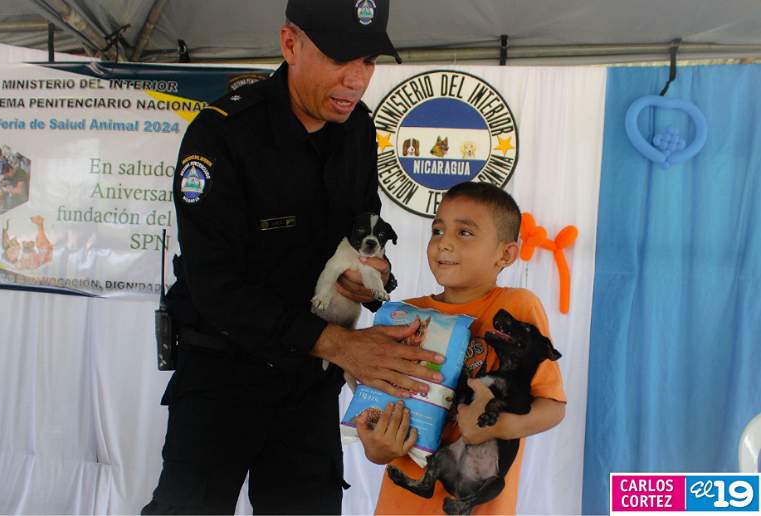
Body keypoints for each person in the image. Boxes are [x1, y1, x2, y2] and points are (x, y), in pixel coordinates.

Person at [142, 1, 446, 514]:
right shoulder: (223, 134)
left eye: (369, 61)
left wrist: (372, 276)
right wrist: (340, 345)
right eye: (340, 58)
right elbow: (214, 285)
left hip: (310, 379)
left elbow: (365, 229)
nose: (356, 79)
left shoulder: (358, 129)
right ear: (290, 44)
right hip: (222, 372)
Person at [356, 182, 567, 515]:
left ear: (505, 254)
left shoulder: (517, 308)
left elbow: (553, 408)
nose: (444, 242)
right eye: (437, 230)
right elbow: (375, 421)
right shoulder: (403, 316)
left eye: (465, 232)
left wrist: (497, 426)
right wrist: (377, 449)